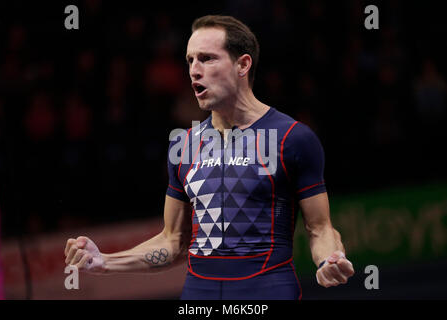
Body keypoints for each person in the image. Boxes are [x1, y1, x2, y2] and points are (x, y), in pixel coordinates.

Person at [64, 15, 354, 300]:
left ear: (243, 64)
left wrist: (329, 259)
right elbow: (173, 242)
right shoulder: (184, 145)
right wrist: (104, 262)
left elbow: (320, 228)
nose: (194, 70)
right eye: (190, 60)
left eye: (206, 58)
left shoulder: (293, 138)